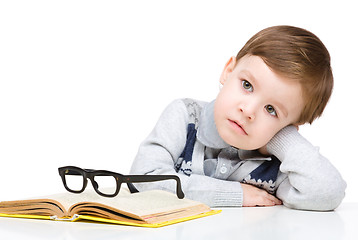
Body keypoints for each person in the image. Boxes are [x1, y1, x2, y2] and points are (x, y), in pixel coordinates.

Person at [129, 25, 346, 211]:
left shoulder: (275, 167)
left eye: (271, 109)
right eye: (247, 85)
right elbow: (144, 179)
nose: (248, 110)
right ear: (228, 70)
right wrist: (236, 194)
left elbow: (327, 192)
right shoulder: (185, 116)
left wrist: (282, 139)